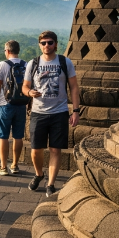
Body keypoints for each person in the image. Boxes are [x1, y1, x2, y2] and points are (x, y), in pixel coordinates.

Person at [22, 31, 80, 197]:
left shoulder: (64, 62)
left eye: (50, 42)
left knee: (55, 150)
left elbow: (74, 87)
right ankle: (39, 174)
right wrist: (29, 92)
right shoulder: (33, 64)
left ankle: (51, 184)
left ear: (55, 44)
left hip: (59, 112)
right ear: (39, 45)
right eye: (43, 43)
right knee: (35, 150)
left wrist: (75, 111)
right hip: (38, 112)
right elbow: (24, 87)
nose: (46, 46)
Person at [0, 40, 27, 176]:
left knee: (3, 137)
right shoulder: (25, 64)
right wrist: (28, 103)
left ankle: (3, 167)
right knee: (18, 136)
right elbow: (29, 86)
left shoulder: (2, 65)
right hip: (21, 104)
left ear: (7, 51)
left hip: (5, 104)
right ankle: (15, 165)